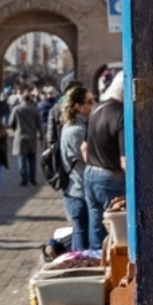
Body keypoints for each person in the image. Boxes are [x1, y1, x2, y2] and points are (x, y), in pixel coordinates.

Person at [84, 71, 126, 248]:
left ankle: (96, 259)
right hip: (110, 178)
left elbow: (84, 147)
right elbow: (125, 161)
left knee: (96, 227)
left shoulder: (96, 109)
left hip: (90, 174)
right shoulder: (121, 114)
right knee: (117, 232)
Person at [58, 86, 96, 251]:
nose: (93, 105)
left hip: (76, 191)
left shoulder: (73, 127)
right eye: (90, 102)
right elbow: (89, 160)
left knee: (80, 235)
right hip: (78, 192)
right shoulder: (78, 131)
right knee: (82, 244)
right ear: (78, 106)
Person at [7, 91, 42, 187]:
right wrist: (41, 136)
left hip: (20, 136)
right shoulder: (34, 110)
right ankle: (33, 179)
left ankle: (24, 179)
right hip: (32, 136)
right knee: (32, 158)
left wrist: (16, 130)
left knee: (22, 158)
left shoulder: (16, 109)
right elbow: (39, 125)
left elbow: (10, 123)